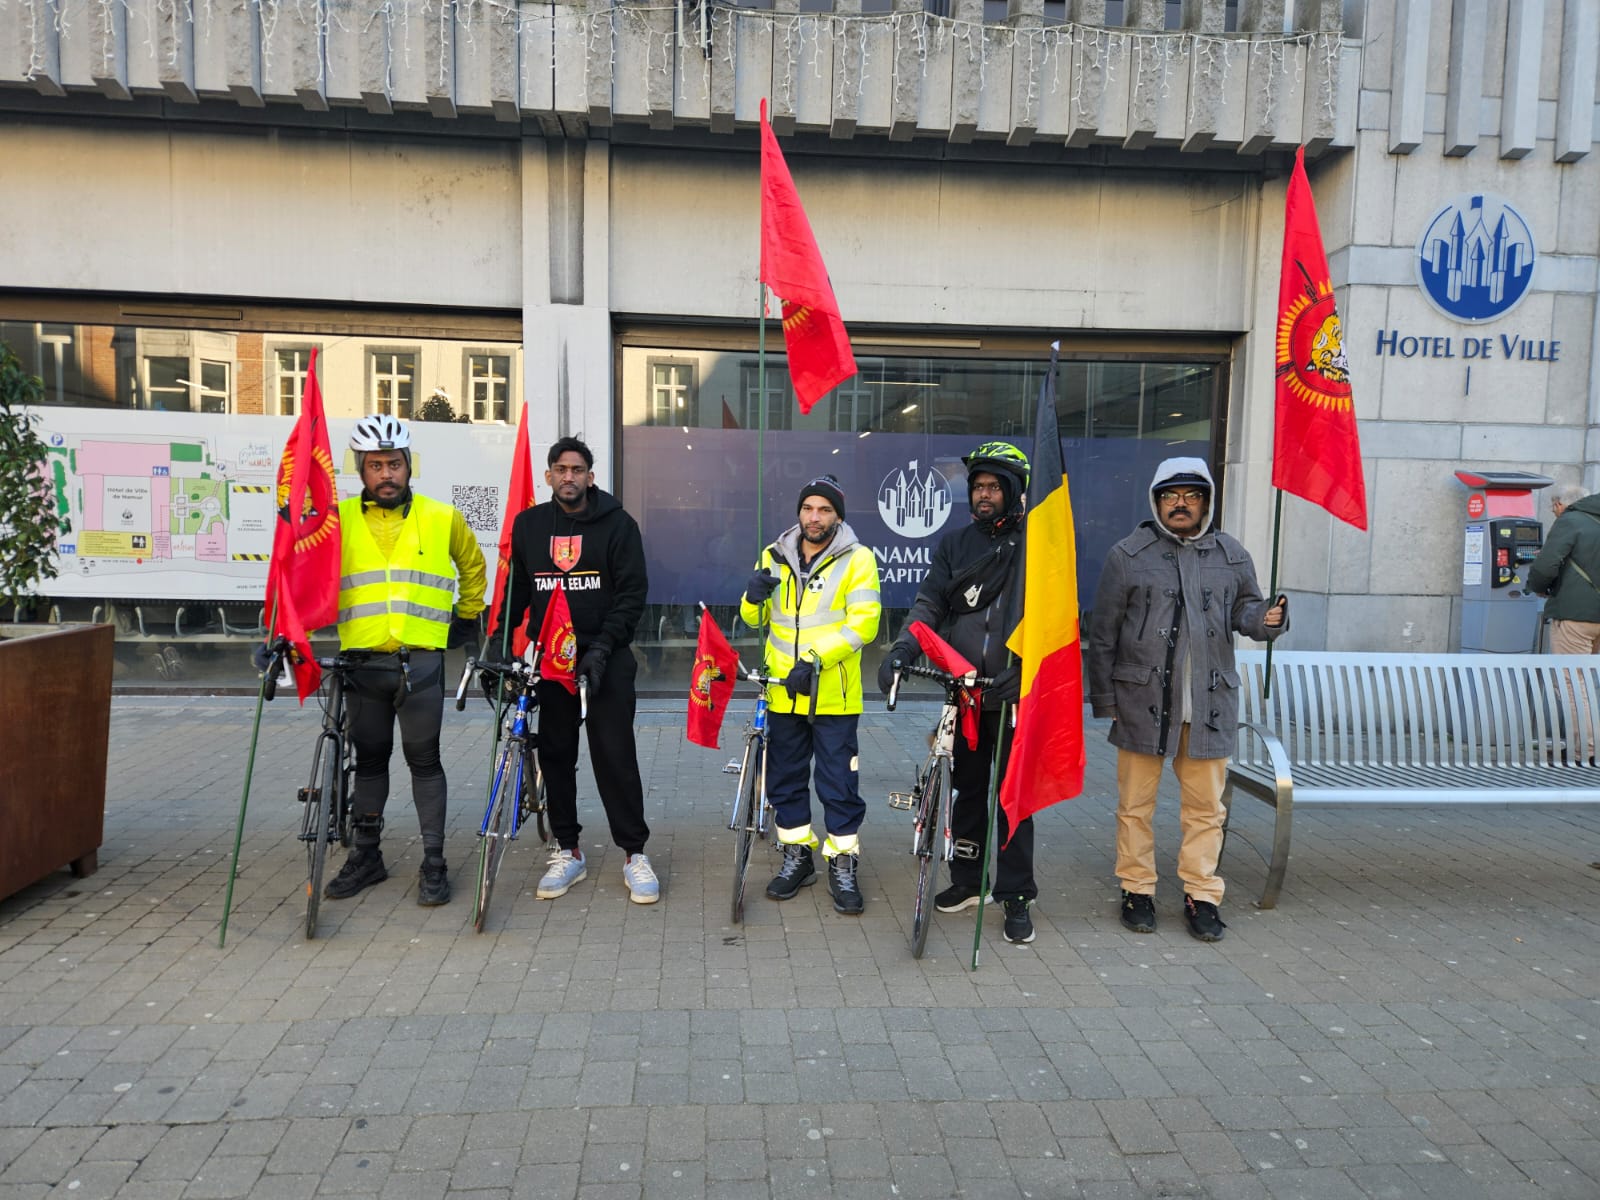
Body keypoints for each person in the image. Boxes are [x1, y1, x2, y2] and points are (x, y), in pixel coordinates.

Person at [1087, 457, 1286, 943]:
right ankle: (1137, 889)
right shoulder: (1127, 555)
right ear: (1156, 501)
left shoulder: (1232, 554)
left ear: (1206, 502)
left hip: (1210, 704)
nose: (1180, 504)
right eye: (1170, 496)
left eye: (1191, 496)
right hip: (1142, 701)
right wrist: (1105, 699)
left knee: (1206, 808)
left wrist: (1267, 621)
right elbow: (1103, 631)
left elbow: (1247, 611)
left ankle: (1202, 894)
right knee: (1135, 805)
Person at [319, 414, 486, 907]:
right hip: (362, 662)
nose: (386, 474)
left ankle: (434, 862)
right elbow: (303, 573)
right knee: (369, 762)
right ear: (361, 470)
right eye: (375, 466)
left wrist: (467, 617)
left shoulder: (441, 516)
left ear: (409, 465)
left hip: (421, 664)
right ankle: (367, 856)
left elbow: (472, 565)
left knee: (425, 761)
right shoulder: (338, 519)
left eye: (394, 463)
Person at [876, 441, 1038, 945]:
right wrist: (903, 649)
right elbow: (929, 605)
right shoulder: (955, 545)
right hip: (965, 693)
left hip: (1013, 695)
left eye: (994, 487)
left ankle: (1015, 894)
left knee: (1014, 799)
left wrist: (1028, 670)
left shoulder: (1039, 546)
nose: (984, 495)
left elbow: (1057, 624)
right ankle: (968, 880)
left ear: (1013, 492)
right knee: (968, 793)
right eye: (978, 487)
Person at [494, 436, 658, 904]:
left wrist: (604, 647)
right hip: (552, 662)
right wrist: (502, 647)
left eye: (577, 469)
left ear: (591, 475)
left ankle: (634, 854)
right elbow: (517, 594)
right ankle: (567, 850)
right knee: (556, 758)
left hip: (605, 661)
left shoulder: (618, 525)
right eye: (560, 469)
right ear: (549, 475)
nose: (569, 476)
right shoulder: (529, 526)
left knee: (615, 757)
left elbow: (632, 595)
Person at [740, 475, 882, 915]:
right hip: (783, 693)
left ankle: (842, 861)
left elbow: (864, 624)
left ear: (837, 515)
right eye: (807, 509)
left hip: (833, 695)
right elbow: (754, 620)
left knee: (838, 784)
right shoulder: (774, 554)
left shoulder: (858, 559)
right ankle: (798, 856)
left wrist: (815, 659)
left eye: (823, 509)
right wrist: (752, 596)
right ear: (798, 513)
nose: (814, 517)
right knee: (785, 781)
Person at [1528, 482, 1600, 762]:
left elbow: (1546, 565)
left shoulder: (1570, 520)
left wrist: (1538, 587)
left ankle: (1587, 751)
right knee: (1587, 682)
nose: (1553, 511)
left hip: (1575, 616)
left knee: (1570, 682)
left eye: (1552, 506)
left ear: (1559, 504)